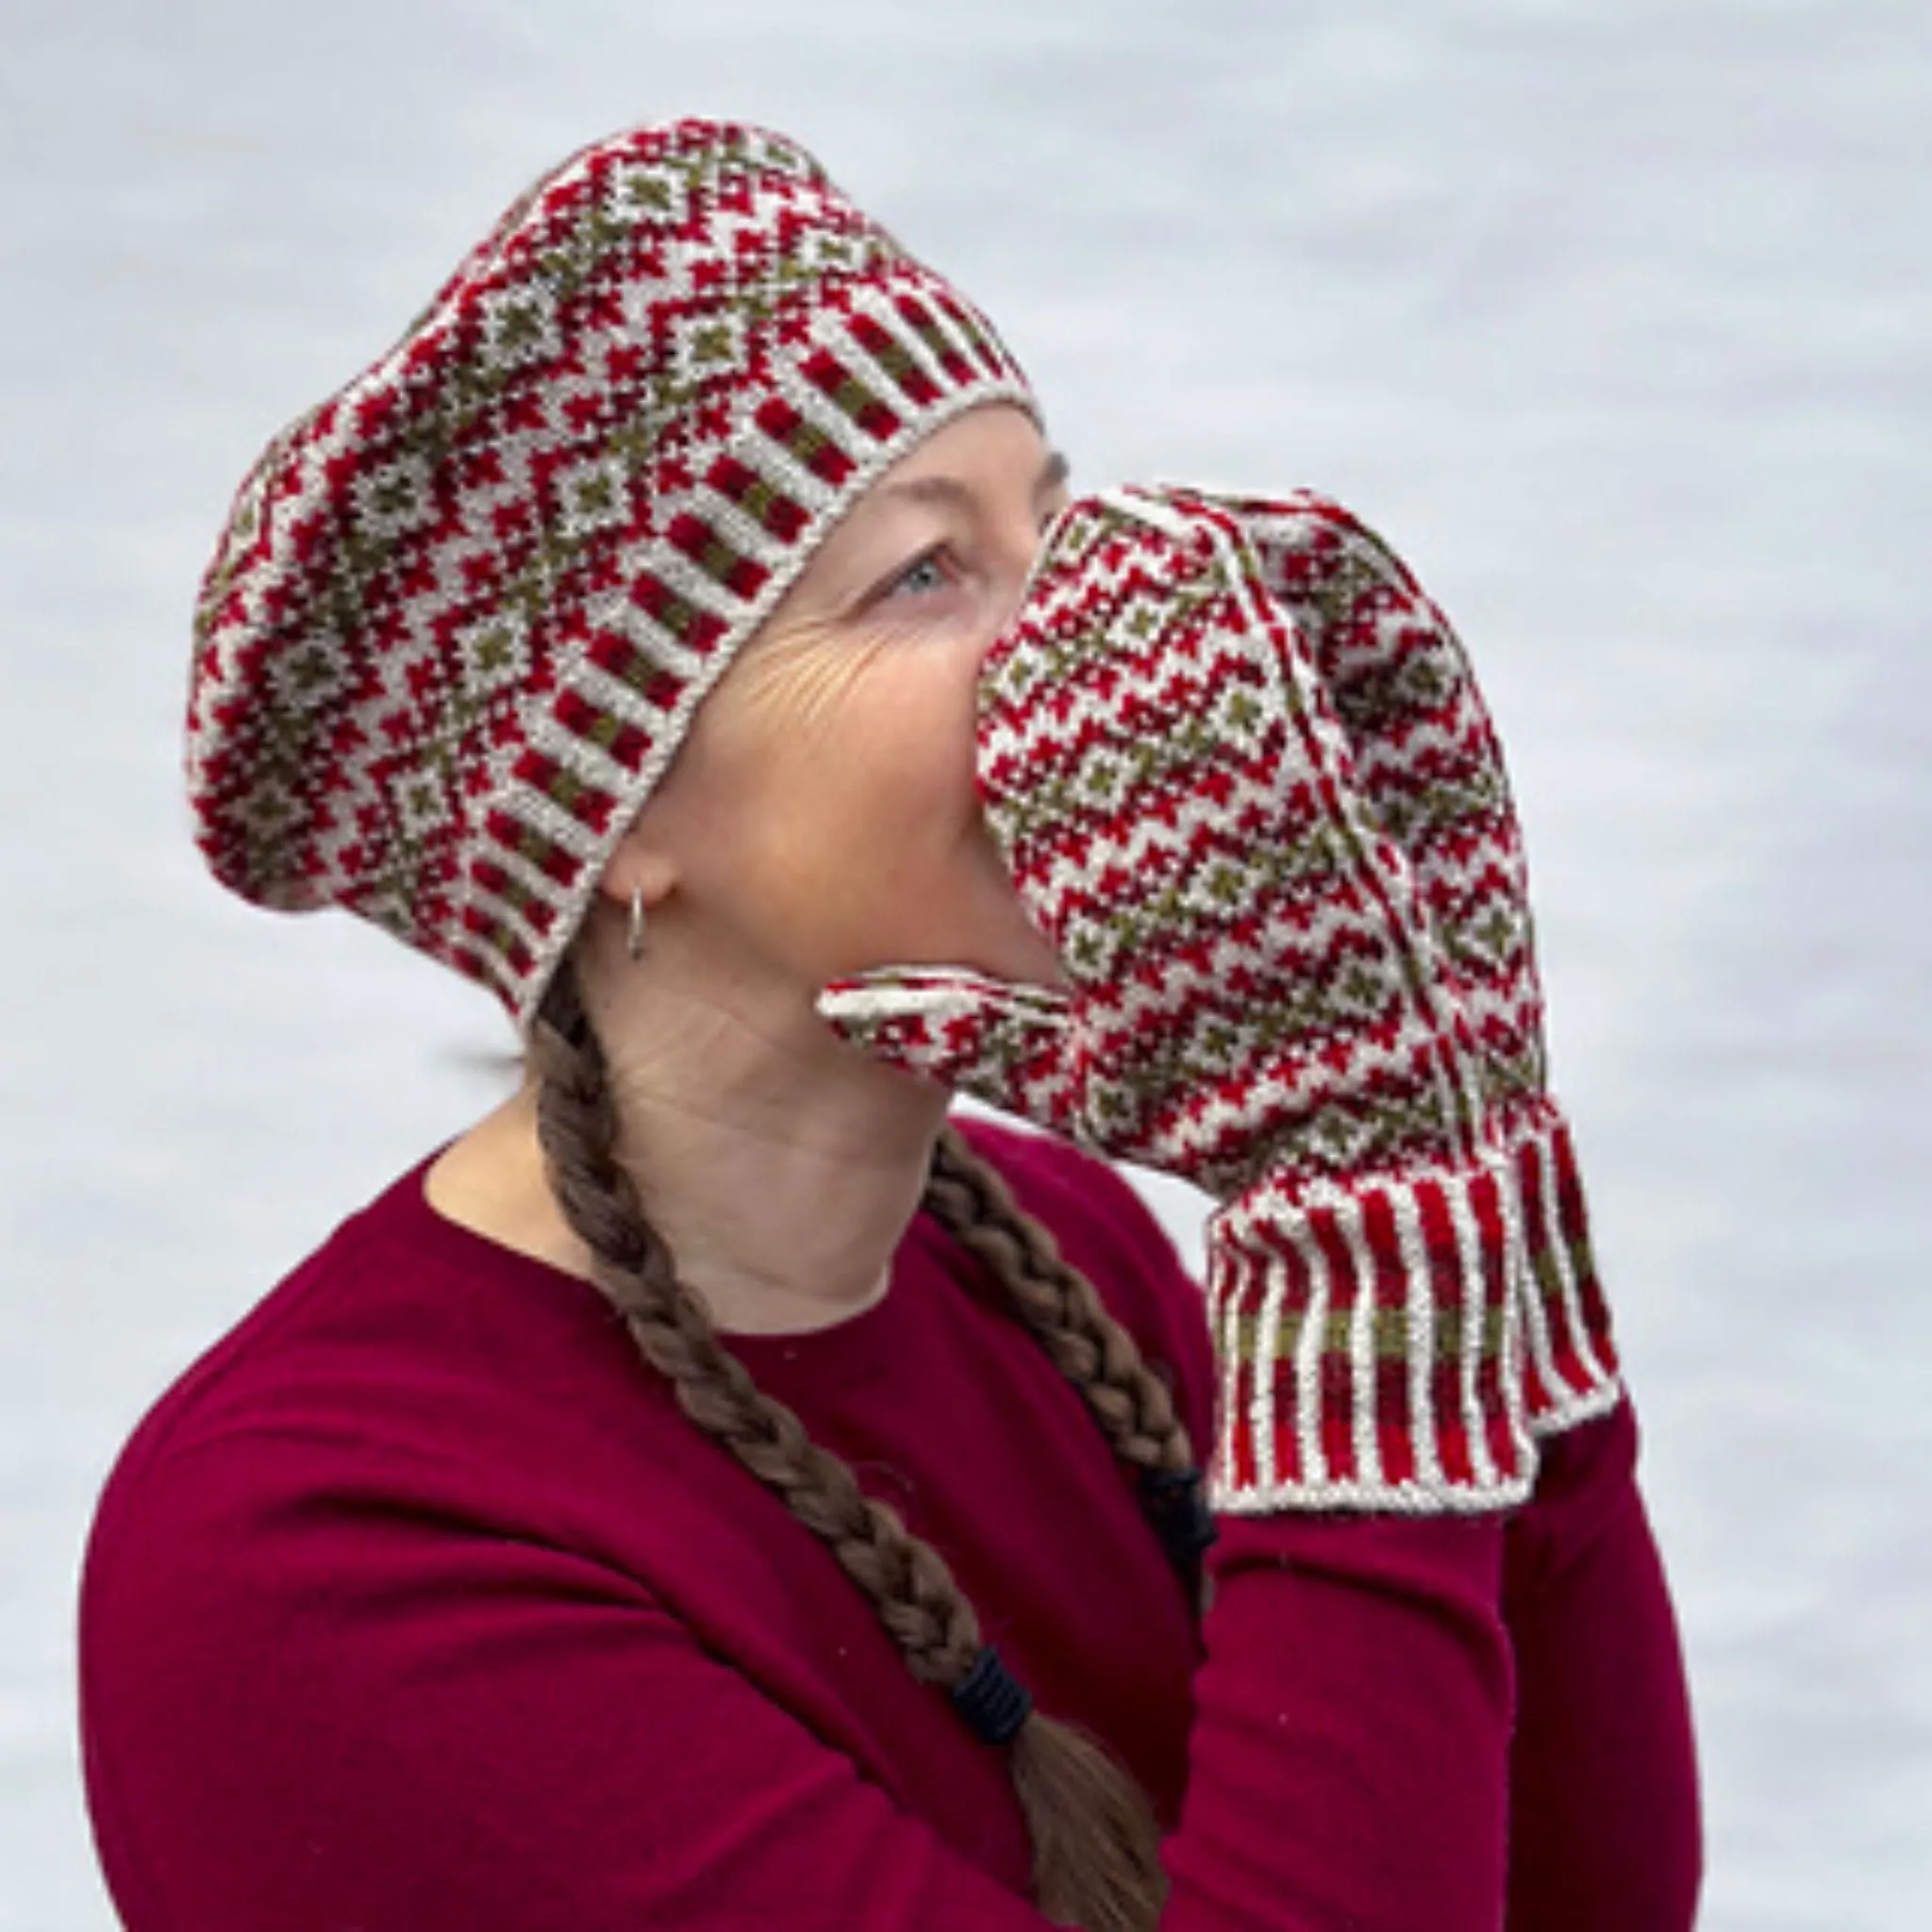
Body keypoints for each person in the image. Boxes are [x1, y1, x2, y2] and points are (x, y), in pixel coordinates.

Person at [79, 118, 1701, 1929]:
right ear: (619, 818)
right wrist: (1353, 1238)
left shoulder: (1050, 1256)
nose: (1109, 642)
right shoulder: (325, 1555)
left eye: (1055, 528)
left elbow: (1584, 1900)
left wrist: (1461, 1162)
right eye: (927, 575)